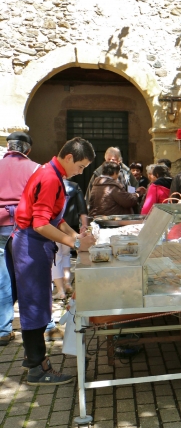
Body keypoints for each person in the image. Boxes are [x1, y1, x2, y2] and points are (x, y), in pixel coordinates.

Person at [6, 137, 96, 385]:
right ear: (68, 157)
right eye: (80, 166)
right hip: (29, 244)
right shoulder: (49, 178)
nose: (80, 172)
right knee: (34, 306)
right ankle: (37, 368)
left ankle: (32, 358)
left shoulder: (52, 175)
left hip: (31, 243)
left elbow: (55, 219)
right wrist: (75, 243)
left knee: (39, 303)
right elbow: (41, 223)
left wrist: (76, 235)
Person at [1, 133, 43, 346]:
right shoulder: (35, 168)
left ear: (8, 147)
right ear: (27, 149)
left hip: (0, 225)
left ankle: (2, 330)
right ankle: (42, 325)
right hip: (24, 226)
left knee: (2, 280)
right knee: (30, 275)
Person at [53, 177, 88, 300]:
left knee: (56, 258)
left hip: (54, 227)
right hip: (70, 228)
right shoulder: (74, 186)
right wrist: (84, 225)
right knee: (66, 255)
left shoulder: (52, 185)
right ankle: (67, 282)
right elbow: (82, 208)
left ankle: (60, 290)